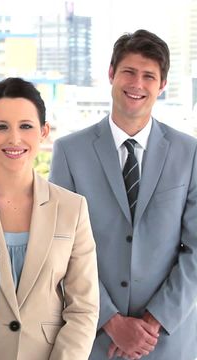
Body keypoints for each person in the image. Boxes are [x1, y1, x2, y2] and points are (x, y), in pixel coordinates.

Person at [50, 29, 197, 360]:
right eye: (129, 72)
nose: (137, 84)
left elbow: (196, 249)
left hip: (169, 342)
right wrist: (112, 321)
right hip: (94, 339)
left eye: (149, 76)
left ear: (162, 86)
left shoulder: (190, 153)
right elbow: (59, 247)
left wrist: (153, 322)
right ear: (112, 74)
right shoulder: (69, 152)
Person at [0, 78, 99, 360]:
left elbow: (84, 307)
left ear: (43, 132)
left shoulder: (71, 208)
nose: (14, 139)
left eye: (26, 126)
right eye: (2, 127)